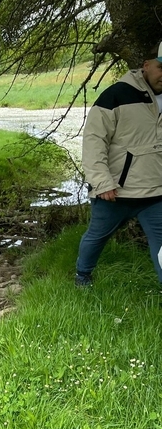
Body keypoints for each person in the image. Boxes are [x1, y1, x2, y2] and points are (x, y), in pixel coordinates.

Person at [74, 43, 162, 287]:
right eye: (160, 67)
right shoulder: (115, 95)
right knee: (97, 237)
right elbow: (93, 142)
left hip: (156, 192)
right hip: (116, 192)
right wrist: (102, 182)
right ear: (146, 65)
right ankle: (82, 276)